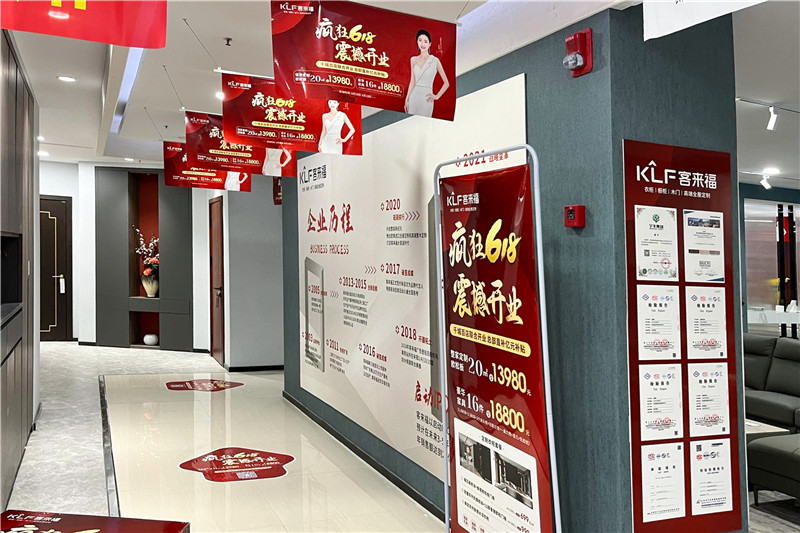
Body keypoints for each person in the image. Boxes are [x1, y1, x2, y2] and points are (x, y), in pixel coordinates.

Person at [404, 29, 450, 118]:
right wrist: (407, 99)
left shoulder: (435, 61)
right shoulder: (413, 60)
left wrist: (437, 96)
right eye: (420, 40)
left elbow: (446, 83)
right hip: (413, 97)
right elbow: (412, 81)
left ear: (430, 44)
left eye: (425, 41)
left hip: (426, 98)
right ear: (417, 42)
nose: (422, 44)